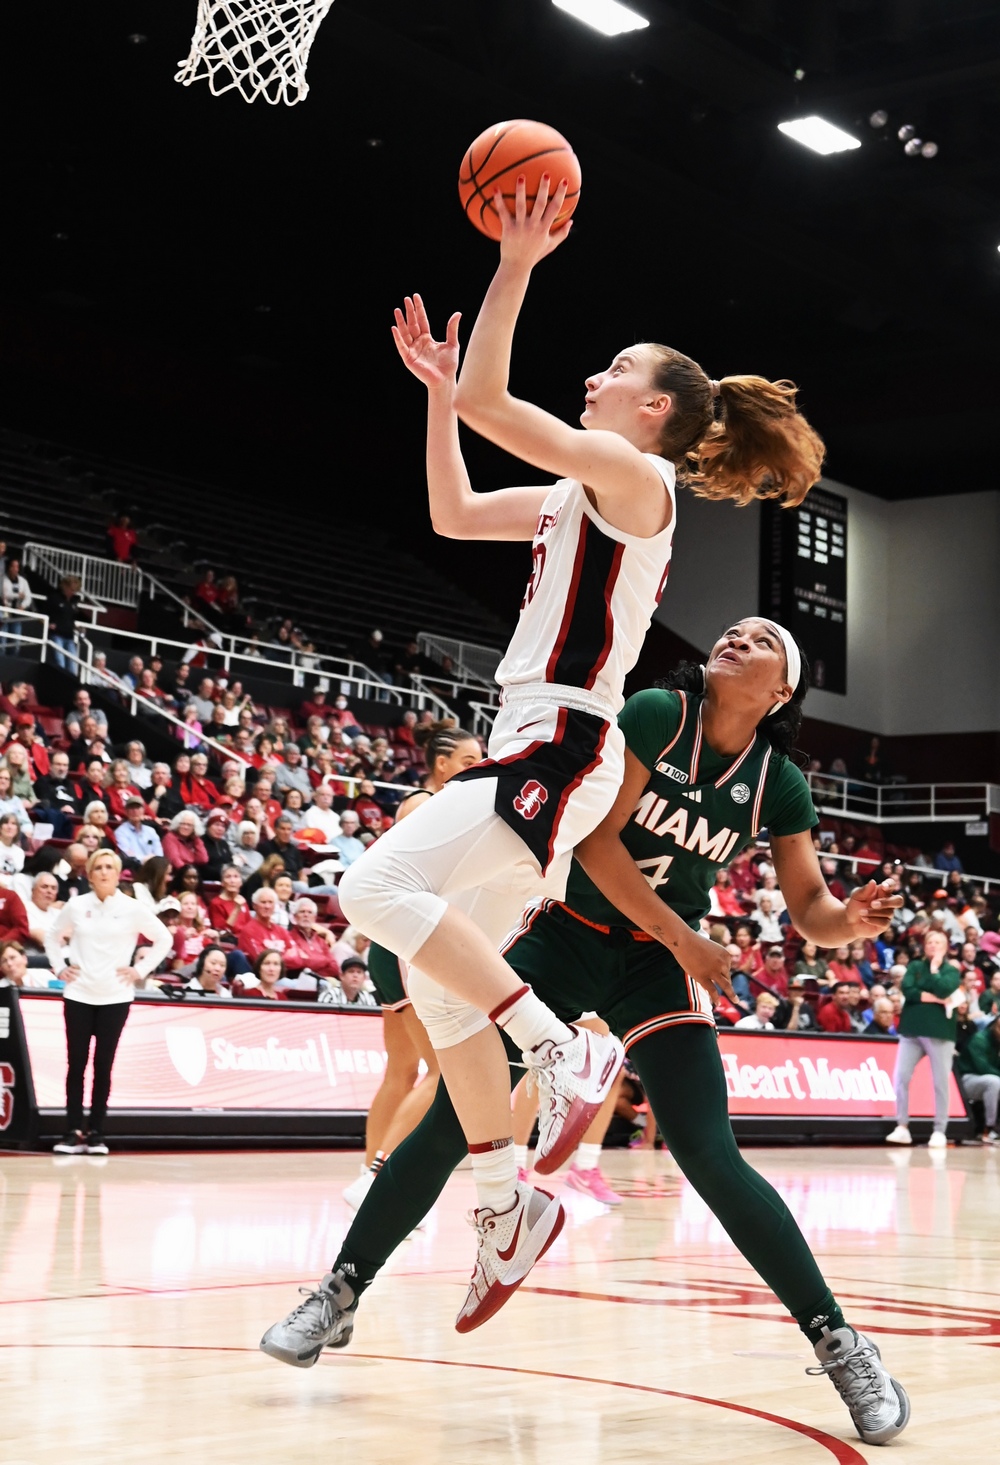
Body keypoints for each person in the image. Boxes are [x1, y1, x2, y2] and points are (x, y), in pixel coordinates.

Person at [334, 185, 826, 1311]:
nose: (595, 378)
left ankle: (560, 1049)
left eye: (615, 370)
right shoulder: (577, 492)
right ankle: (511, 1198)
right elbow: (454, 511)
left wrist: (513, 263)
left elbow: (500, 400)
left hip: (561, 736)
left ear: (654, 413)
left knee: (375, 884)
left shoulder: (637, 481)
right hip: (530, 737)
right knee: (440, 982)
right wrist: (434, 399)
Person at [264, 620, 909, 1449]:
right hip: (566, 933)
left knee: (710, 1155)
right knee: (455, 1120)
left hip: (653, 965)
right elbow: (598, 843)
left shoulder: (777, 783)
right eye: (733, 631)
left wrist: (848, 921)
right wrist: (688, 937)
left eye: (760, 641)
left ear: (782, 692)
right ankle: (341, 1291)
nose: (735, 638)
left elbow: (813, 910)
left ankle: (841, 1342)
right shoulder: (656, 711)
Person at [346, 723, 481, 1212]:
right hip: (406, 942)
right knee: (442, 1074)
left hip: (391, 940)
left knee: (401, 1069)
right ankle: (380, 1174)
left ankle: (366, 1176)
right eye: (468, 761)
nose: (476, 768)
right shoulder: (427, 803)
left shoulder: (427, 802)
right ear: (440, 764)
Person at [45, 850, 172, 1155]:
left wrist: (140, 970)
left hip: (115, 997)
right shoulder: (76, 906)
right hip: (78, 994)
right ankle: (72, 1132)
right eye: (98, 867)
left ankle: (97, 1133)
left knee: (103, 1065)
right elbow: (52, 936)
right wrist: (59, 966)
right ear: (89, 874)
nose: (103, 872)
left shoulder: (133, 908)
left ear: (117, 874)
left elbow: (163, 939)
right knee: (76, 1064)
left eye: (109, 867)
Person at [886, 929, 962, 1149]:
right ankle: (902, 1126)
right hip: (911, 1029)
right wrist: (937, 999)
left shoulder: (950, 970)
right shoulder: (915, 966)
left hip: (940, 1032)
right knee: (900, 1076)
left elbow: (945, 988)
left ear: (946, 947)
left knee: (940, 1082)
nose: (933, 945)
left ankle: (940, 1130)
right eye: (930, 941)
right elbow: (908, 990)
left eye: (938, 941)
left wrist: (935, 970)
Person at [955, 1018, 1000, 1144]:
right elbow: (983, 1067)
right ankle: (989, 1128)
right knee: (994, 1082)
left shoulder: (998, 1042)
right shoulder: (979, 1039)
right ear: (996, 1027)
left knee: (995, 1081)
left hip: (988, 1077)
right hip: (967, 1079)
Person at [1, 556, 32, 651]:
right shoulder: (2, 579)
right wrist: (17, 595)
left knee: (16, 644)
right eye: (13, 567)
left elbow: (28, 597)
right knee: (2, 641)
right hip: (4, 613)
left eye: (17, 567)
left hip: (16, 614)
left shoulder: (23, 581)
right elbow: (4, 594)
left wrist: (23, 606)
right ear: (9, 567)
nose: (15, 569)